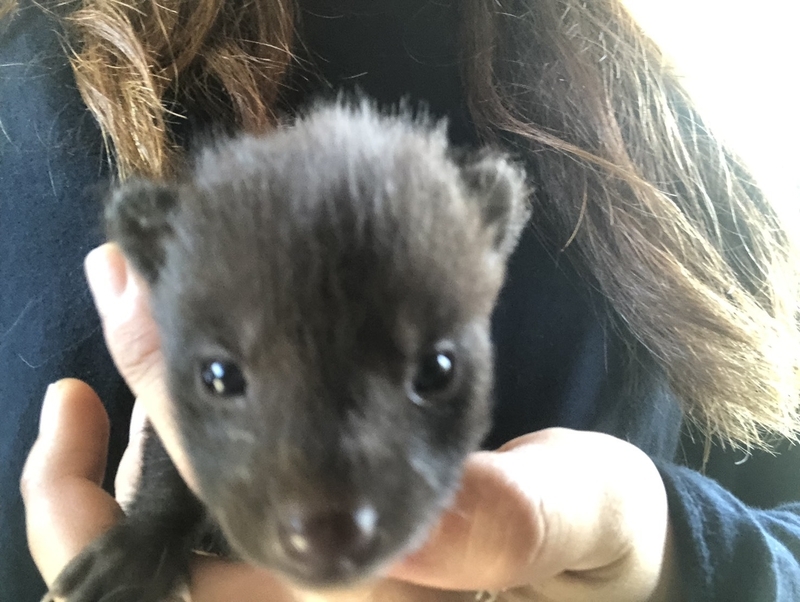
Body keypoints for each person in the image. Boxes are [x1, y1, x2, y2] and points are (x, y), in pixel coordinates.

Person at [3, 0, 800, 600]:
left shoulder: (662, 136)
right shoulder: (34, 95)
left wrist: (673, 550)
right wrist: (152, 538)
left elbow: (782, 522)